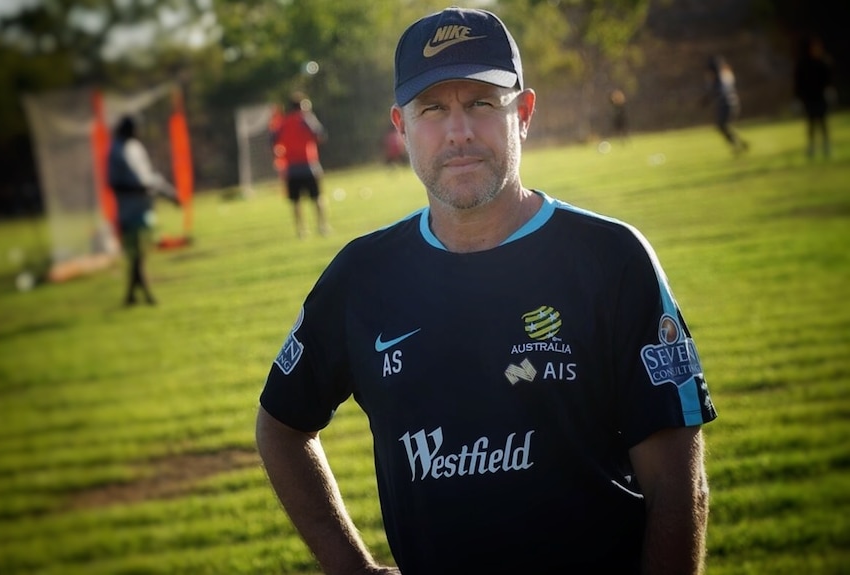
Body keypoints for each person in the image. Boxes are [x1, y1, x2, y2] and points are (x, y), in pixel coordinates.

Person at [256, 7, 717, 574]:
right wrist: (348, 565)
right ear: (400, 128)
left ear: (523, 113)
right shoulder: (361, 276)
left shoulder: (612, 259)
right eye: (432, 109)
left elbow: (678, 485)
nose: (459, 132)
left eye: (481, 102)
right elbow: (281, 425)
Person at [107, 115, 178, 306]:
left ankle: (131, 296)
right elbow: (114, 183)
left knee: (141, 253)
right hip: (129, 211)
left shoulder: (135, 147)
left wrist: (169, 193)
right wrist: (137, 188)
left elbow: (148, 177)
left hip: (145, 207)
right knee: (138, 254)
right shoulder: (115, 151)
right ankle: (145, 295)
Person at [270, 91, 330, 238]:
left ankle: (301, 230)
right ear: (302, 106)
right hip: (309, 165)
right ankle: (322, 226)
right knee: (317, 198)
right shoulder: (305, 119)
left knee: (296, 202)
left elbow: (272, 140)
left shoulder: (283, 123)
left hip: (291, 167)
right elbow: (320, 136)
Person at [794, 35, 834, 158]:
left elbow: (829, 80)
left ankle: (827, 146)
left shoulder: (823, 62)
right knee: (811, 123)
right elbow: (798, 82)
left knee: (823, 122)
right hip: (809, 97)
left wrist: (830, 91)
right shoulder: (803, 64)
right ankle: (812, 147)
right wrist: (798, 97)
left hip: (820, 96)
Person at [703, 54, 749, 155]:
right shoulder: (725, 74)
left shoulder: (719, 78)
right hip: (731, 103)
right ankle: (740, 144)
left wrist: (706, 100)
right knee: (724, 126)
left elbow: (717, 91)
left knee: (722, 126)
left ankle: (739, 145)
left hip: (727, 104)